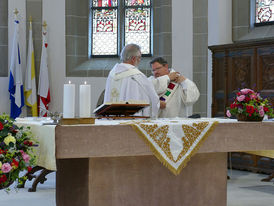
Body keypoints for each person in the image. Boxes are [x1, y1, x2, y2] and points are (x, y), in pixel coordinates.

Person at [104, 44, 161, 117]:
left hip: (113, 119)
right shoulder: (137, 75)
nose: (140, 60)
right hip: (132, 121)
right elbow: (152, 98)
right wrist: (158, 103)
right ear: (134, 58)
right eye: (139, 58)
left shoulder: (112, 74)